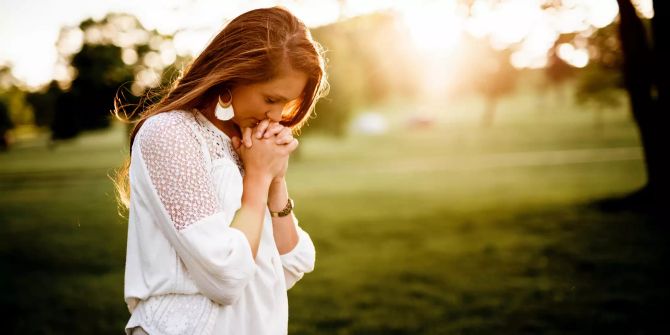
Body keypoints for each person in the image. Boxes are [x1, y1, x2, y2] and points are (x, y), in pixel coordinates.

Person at [113, 6, 329, 334]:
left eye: (285, 105)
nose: (276, 117)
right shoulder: (171, 134)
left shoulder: (246, 142)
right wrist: (257, 180)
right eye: (270, 99)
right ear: (232, 75)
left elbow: (292, 262)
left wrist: (275, 180)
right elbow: (225, 275)